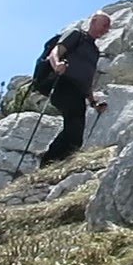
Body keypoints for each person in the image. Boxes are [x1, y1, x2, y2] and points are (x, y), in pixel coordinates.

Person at [40, 11, 111, 166]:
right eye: (105, 25)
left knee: (76, 132)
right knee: (74, 125)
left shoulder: (95, 51)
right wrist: (57, 65)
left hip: (78, 91)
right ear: (94, 21)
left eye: (108, 27)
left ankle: (54, 161)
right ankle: (50, 162)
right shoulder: (76, 35)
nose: (107, 29)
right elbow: (55, 52)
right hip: (63, 84)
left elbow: (87, 79)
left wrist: (93, 102)